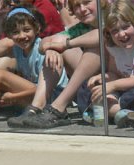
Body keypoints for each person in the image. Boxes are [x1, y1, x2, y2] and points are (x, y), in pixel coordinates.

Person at [10, 0, 103, 128]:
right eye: (76, 6)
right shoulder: (82, 27)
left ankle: (58, 108)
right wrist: (50, 48)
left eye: (87, 2)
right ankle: (36, 107)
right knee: (56, 45)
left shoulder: (114, 19)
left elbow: (104, 35)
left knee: (93, 50)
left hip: (116, 80)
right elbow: (45, 42)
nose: (82, 9)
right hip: (91, 84)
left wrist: (66, 44)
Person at [0, 7, 68, 119]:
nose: (22, 36)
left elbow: (42, 89)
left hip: (51, 99)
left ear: (37, 29)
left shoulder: (41, 50)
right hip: (34, 96)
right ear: (9, 35)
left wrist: (14, 96)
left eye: (27, 30)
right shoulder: (18, 49)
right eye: (15, 32)